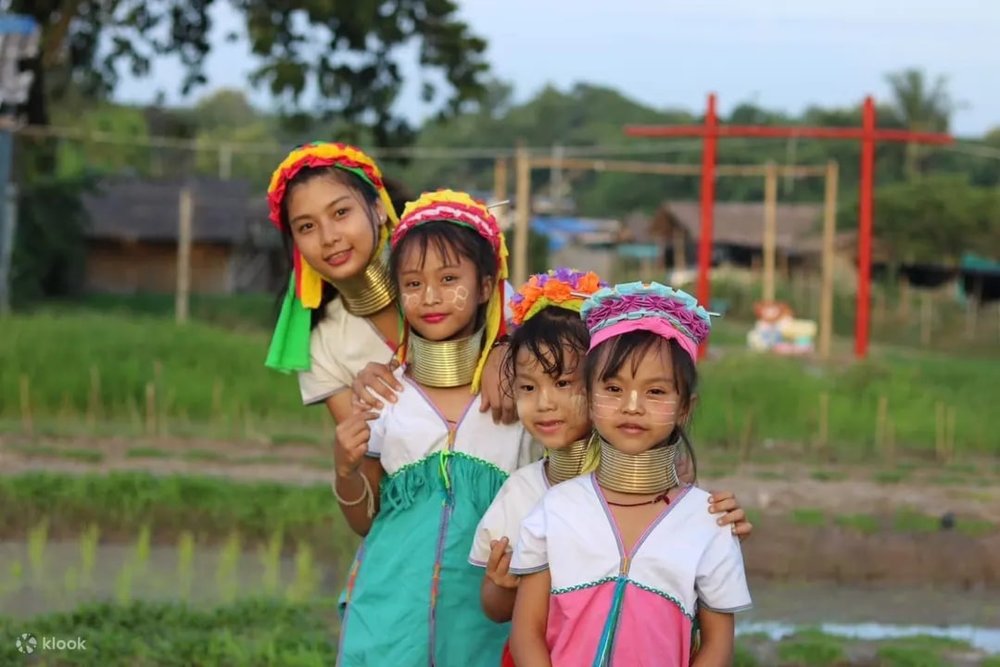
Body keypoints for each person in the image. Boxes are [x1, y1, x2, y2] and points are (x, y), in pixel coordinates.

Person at [470, 270, 754, 666]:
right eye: (614, 389)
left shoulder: (707, 522)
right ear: (594, 392)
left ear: (684, 406)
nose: (632, 406)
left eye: (656, 392)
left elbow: (717, 645)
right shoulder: (552, 508)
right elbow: (525, 632)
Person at [264, 143, 514, 532]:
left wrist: (506, 349)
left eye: (341, 212)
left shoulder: (456, 272)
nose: (329, 237)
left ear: (378, 208)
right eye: (307, 226)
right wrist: (363, 418)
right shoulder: (324, 342)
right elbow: (375, 483)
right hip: (419, 534)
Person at [333, 190, 535, 666]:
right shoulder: (383, 394)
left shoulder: (526, 393)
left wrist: (508, 348)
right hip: (388, 619)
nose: (431, 297)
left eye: (449, 279)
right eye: (414, 282)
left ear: (486, 285)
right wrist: (344, 467)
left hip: (488, 620)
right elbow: (366, 522)